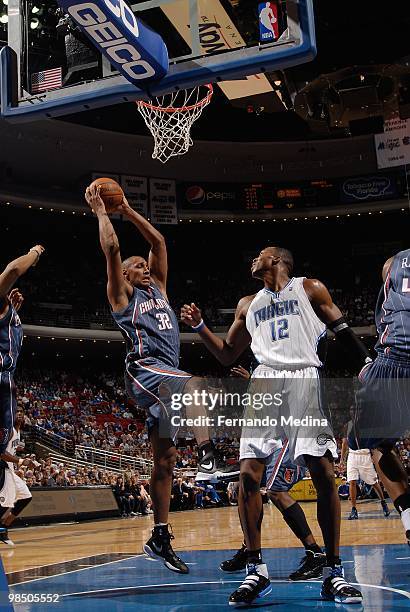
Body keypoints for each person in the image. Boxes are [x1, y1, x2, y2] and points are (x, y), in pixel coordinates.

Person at [182, 246, 370, 606]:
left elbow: (343, 330)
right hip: (264, 382)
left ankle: (333, 571)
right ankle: (256, 571)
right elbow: (226, 353)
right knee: (249, 476)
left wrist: (367, 363)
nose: (253, 258)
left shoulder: (310, 288)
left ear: (279, 260)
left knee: (323, 471)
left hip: (303, 377)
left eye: (260, 254)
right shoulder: (246, 304)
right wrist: (201, 327)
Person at [85, 184, 226, 574]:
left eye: (144, 264)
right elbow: (112, 251)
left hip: (165, 377)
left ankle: (159, 535)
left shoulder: (160, 289)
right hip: (145, 369)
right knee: (195, 383)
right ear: (126, 275)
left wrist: (127, 209)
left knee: (164, 460)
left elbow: (159, 241)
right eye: (137, 265)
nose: (144, 266)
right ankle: (208, 460)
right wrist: (102, 213)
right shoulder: (122, 295)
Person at [348, 249, 410, 542]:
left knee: (373, 441)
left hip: (395, 357)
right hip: (393, 357)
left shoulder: (394, 262)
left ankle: (409, 516)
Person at [221, 439, 326, 581]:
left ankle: (315, 553)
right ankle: (249, 548)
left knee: (276, 491)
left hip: (285, 436)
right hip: (263, 437)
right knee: (248, 488)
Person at [0, 246, 44, 460]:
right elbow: (13, 270)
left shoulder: (7, 309)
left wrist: (13, 313)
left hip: (6, 377)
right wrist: (34, 253)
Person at [0, 406, 36, 545]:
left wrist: (25, 460)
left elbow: (11, 451)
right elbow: (2, 453)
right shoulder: (8, 430)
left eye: (21, 412)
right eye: (16, 412)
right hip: (3, 469)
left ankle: (4, 528)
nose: (19, 414)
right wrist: (21, 461)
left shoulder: (18, 430)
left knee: (26, 497)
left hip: (10, 470)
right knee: (5, 502)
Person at [341, 427, 390, 520]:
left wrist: (374, 456)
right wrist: (342, 459)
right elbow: (344, 442)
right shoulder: (347, 425)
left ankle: (383, 502)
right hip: (352, 456)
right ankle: (353, 509)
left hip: (365, 456)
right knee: (352, 482)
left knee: (373, 483)